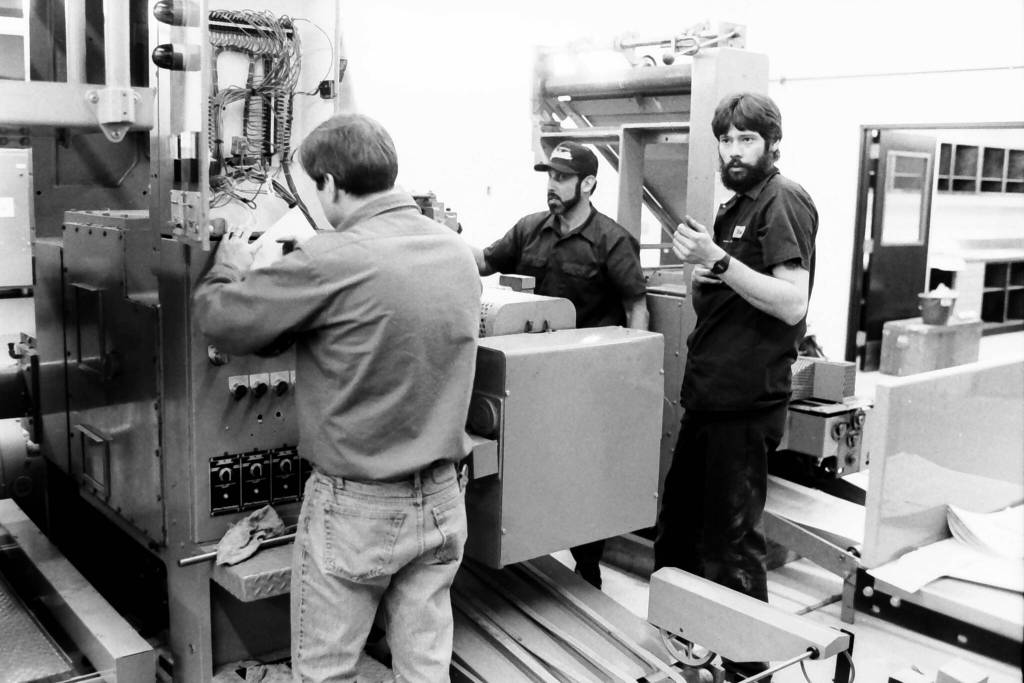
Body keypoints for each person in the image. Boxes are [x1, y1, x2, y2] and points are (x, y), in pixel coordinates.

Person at [193, 113, 481, 682]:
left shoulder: (330, 260)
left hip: (358, 509)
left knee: (327, 672)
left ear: (327, 184)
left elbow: (223, 321)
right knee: (424, 669)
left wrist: (225, 265)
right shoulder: (455, 251)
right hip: (444, 499)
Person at [653, 92, 817, 680]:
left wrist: (718, 260)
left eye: (746, 138)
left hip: (745, 405)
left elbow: (792, 301)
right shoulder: (733, 209)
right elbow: (725, 297)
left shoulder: (783, 201)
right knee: (679, 531)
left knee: (730, 544)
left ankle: (750, 668)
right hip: (709, 396)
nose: (734, 150)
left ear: (772, 144)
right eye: (726, 139)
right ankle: (697, 639)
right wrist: (704, 274)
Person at [472, 141, 649, 589]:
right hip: (527, 383)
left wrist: (634, 376)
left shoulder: (611, 241)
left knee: (582, 475)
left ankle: (587, 566)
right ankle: (521, 551)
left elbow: (636, 306)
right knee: (525, 469)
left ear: (588, 183)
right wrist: (436, 242)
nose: (552, 185)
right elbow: (484, 262)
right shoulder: (530, 230)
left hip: (586, 385)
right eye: (549, 176)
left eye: (563, 177)